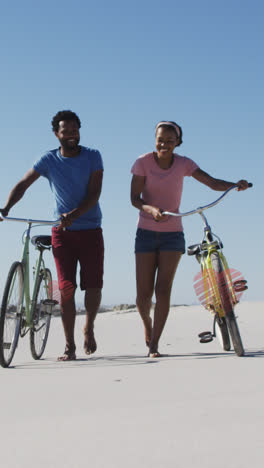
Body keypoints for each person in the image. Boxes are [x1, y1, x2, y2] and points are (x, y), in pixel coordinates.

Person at [130, 120, 250, 358]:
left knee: (162, 290)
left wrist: (235, 185)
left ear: (178, 143)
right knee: (143, 296)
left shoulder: (184, 164)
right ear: (155, 139)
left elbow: (212, 182)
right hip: (145, 233)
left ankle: (154, 344)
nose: (164, 144)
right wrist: (151, 209)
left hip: (173, 235)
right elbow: (135, 198)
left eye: (170, 141)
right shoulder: (142, 162)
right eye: (160, 139)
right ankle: (147, 324)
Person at [0, 110, 104, 361]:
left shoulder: (92, 156)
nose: (71, 134)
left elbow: (94, 195)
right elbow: (23, 184)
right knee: (66, 290)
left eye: (74, 129)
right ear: (56, 134)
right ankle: (70, 346)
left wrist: (75, 214)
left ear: (80, 130)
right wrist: (6, 208)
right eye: (65, 130)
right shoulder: (48, 160)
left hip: (90, 230)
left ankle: (88, 327)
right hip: (62, 233)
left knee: (92, 287)